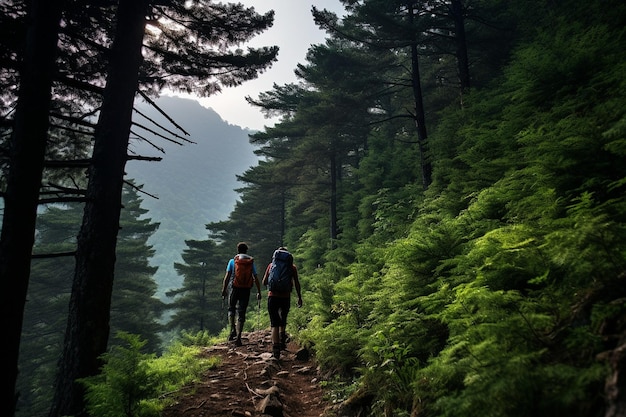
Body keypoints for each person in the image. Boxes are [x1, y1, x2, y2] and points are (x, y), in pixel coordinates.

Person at [262, 247, 302, 360]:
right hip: (285, 297)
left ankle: (276, 350)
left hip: (272, 296)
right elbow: (297, 283)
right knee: (283, 317)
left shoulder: (271, 266)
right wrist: (299, 297)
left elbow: (264, 281)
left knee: (274, 323)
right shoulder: (291, 267)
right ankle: (283, 339)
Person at [221, 242, 261, 346]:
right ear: (246, 250)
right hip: (246, 289)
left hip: (234, 288)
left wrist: (224, 289)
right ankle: (239, 337)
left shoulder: (232, 261)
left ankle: (232, 330)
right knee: (242, 312)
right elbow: (255, 277)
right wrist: (259, 291)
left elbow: (227, 277)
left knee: (231, 309)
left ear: (237, 250)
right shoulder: (250, 262)